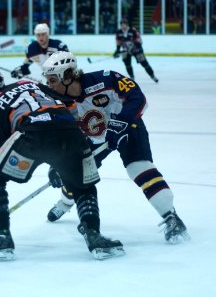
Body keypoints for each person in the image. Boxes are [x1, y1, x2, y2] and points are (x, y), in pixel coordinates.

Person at [0, 68, 125, 261]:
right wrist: (62, 162)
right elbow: (71, 105)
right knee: (81, 182)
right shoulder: (33, 84)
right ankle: (94, 234)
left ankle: (1, 237)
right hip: (70, 132)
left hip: (33, 136)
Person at [41, 51, 190, 244]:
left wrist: (120, 123)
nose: (49, 85)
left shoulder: (105, 79)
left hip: (128, 128)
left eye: (53, 80)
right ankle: (64, 202)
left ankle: (172, 217)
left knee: (139, 169)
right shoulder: (58, 101)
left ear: (68, 76)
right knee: (75, 171)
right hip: (95, 137)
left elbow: (138, 98)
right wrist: (58, 163)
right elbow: (62, 133)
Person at [114, 19, 159, 83]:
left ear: (127, 25)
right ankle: (132, 77)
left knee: (144, 63)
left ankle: (152, 75)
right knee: (127, 64)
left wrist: (134, 47)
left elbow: (139, 41)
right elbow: (118, 42)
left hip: (136, 49)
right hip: (126, 50)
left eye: (124, 25)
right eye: (122, 25)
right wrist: (117, 51)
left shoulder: (133, 30)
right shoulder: (119, 32)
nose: (123, 26)